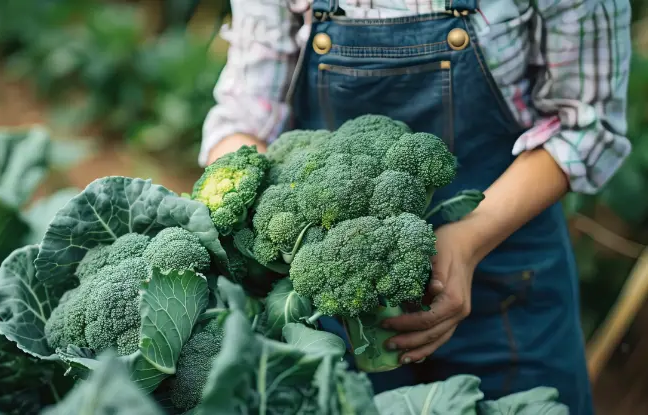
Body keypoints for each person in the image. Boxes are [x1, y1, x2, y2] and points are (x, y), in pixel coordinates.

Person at [199, 0, 633, 413]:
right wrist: (254, 197)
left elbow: (586, 125)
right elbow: (244, 118)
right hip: (335, 292)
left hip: (507, 276)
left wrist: (470, 237)